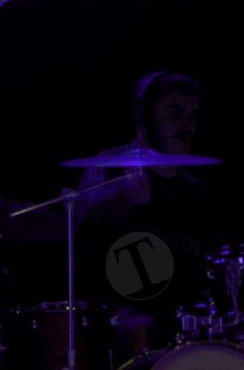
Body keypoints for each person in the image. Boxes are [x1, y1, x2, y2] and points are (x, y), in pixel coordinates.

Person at [75, 71, 226, 362]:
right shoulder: (107, 171)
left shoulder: (196, 193)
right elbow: (80, 241)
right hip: (120, 323)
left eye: (193, 115)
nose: (188, 125)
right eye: (174, 112)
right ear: (144, 116)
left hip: (185, 328)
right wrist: (119, 199)